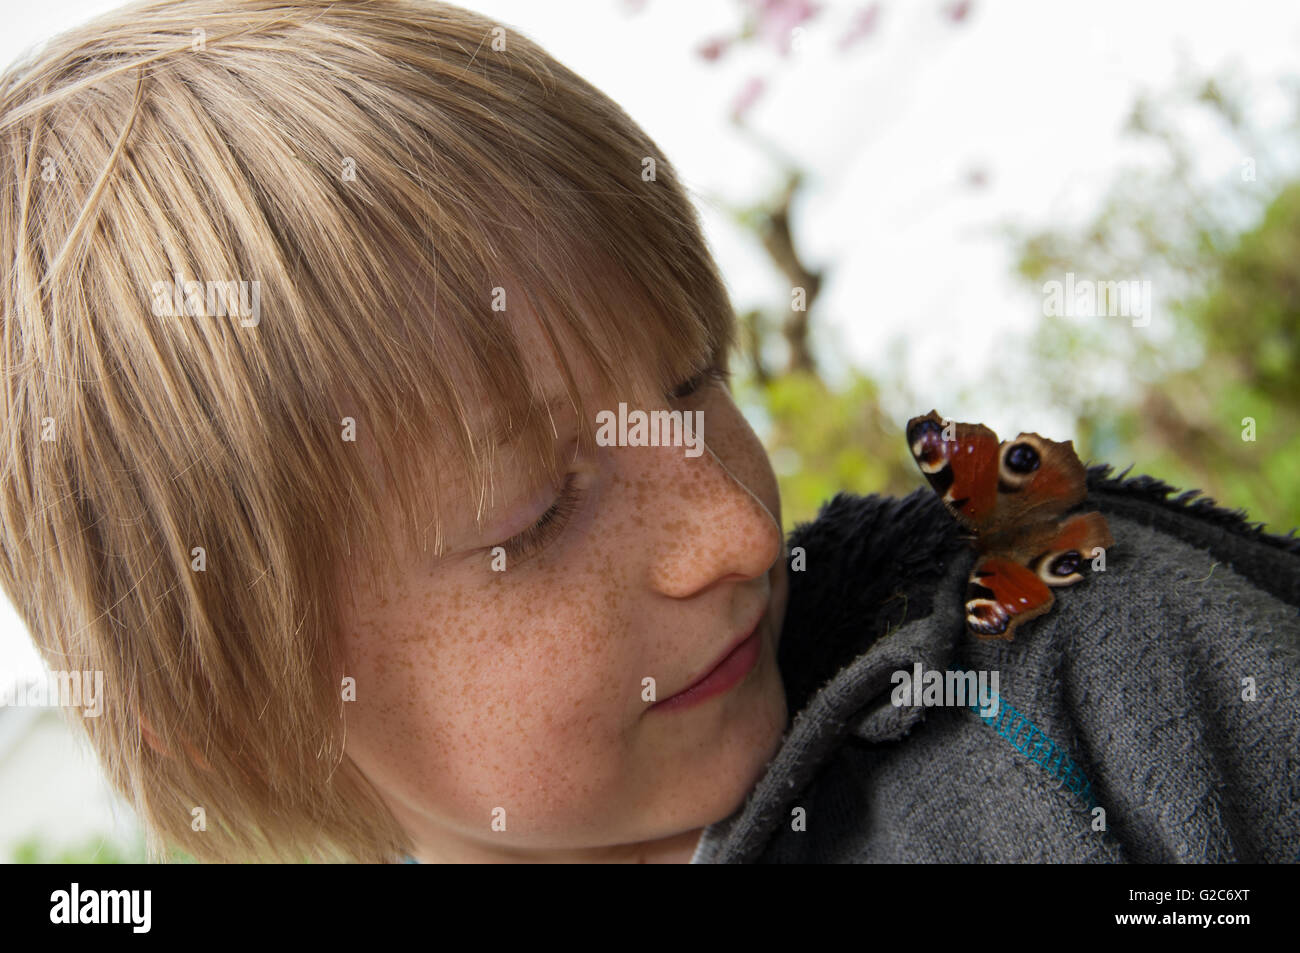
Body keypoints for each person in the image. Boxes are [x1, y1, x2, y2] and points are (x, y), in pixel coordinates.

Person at [1, 0, 1295, 865]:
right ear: (242, 707)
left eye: (693, 383)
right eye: (537, 514)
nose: (734, 532)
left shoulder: (1079, 680)